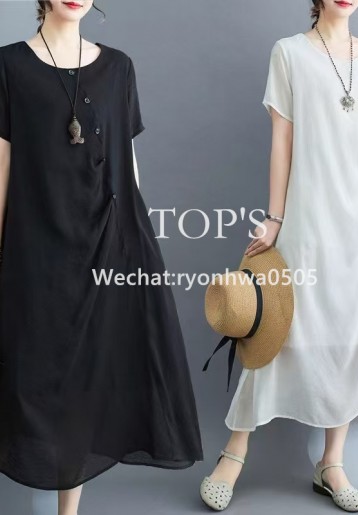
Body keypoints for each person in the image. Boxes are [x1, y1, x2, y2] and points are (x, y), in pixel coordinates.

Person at [0, 1, 203, 513]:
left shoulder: (118, 67)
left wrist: (139, 248)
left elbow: (127, 165)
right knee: (30, 375)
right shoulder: (8, 66)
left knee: (89, 378)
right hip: (36, 248)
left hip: (107, 248)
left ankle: (68, 511)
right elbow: (2, 165)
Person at [200, 0, 358, 511]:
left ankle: (331, 463)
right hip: (311, 215)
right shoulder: (289, 53)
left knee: (351, 333)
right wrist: (275, 217)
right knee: (278, 326)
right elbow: (282, 139)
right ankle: (234, 453)